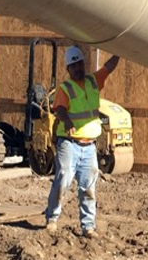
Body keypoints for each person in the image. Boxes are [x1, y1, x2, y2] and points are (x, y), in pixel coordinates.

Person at [44, 45, 120, 238]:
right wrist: (67, 120)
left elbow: (109, 67)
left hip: (89, 146)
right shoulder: (65, 88)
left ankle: (88, 227)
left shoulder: (93, 81)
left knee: (88, 187)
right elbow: (59, 109)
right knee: (63, 179)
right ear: (68, 69)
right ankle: (52, 219)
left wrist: (120, 50)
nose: (78, 68)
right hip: (69, 143)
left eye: (80, 64)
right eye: (74, 65)